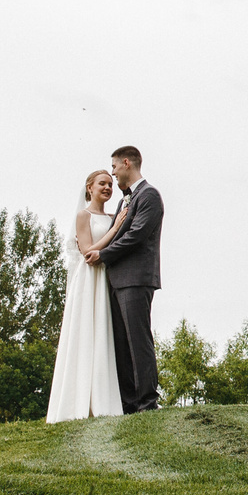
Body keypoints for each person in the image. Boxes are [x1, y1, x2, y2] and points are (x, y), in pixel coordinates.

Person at [45, 168, 128, 422]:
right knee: (85, 331)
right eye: (102, 184)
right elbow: (88, 251)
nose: (107, 188)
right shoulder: (84, 215)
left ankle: (104, 399)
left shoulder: (116, 216)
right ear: (89, 188)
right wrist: (114, 229)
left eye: (110, 185)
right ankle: (77, 402)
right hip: (89, 279)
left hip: (106, 278)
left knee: (104, 332)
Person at [87, 145, 164, 413]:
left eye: (115, 167)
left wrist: (103, 255)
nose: (114, 173)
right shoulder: (124, 201)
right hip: (116, 280)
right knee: (121, 344)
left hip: (136, 279)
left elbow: (136, 236)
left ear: (127, 163)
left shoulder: (150, 195)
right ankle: (129, 404)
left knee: (138, 341)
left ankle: (147, 402)